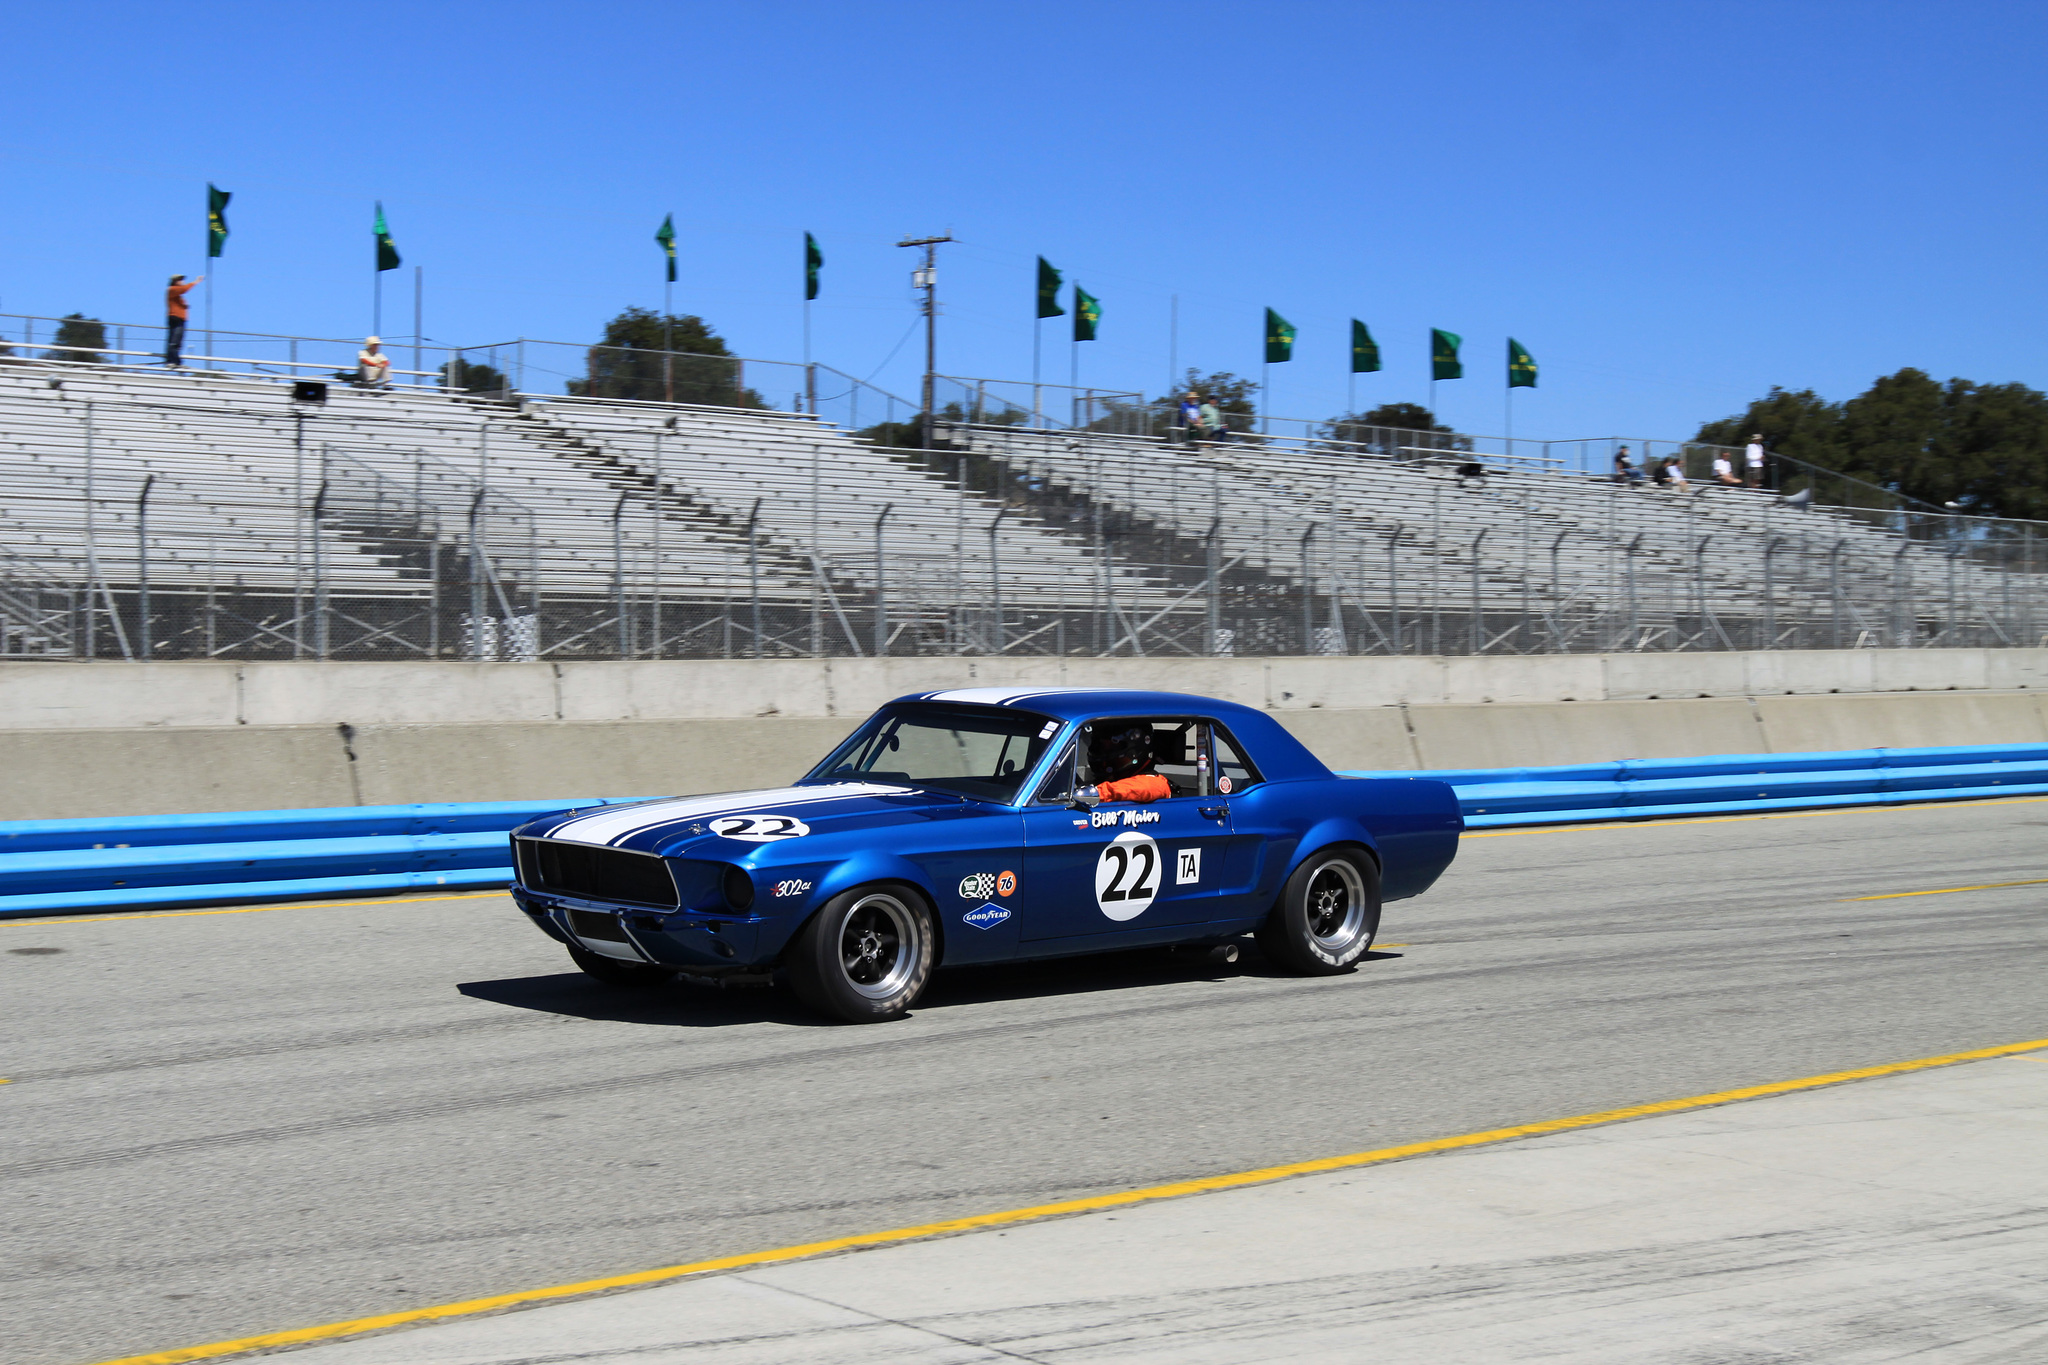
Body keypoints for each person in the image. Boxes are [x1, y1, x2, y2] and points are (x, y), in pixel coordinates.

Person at [1088, 722, 1171, 803]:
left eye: (1111, 746)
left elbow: (1137, 788)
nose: (1103, 751)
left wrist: (1094, 794)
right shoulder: (1112, 780)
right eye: (1101, 745)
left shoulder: (1154, 783)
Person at [163, 274, 200, 367]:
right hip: (175, 317)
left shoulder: (176, 294)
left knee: (177, 341)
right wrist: (195, 282)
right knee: (174, 340)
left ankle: (175, 360)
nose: (183, 282)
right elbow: (184, 289)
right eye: (181, 280)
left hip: (180, 318)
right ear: (176, 281)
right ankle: (172, 360)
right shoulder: (172, 289)